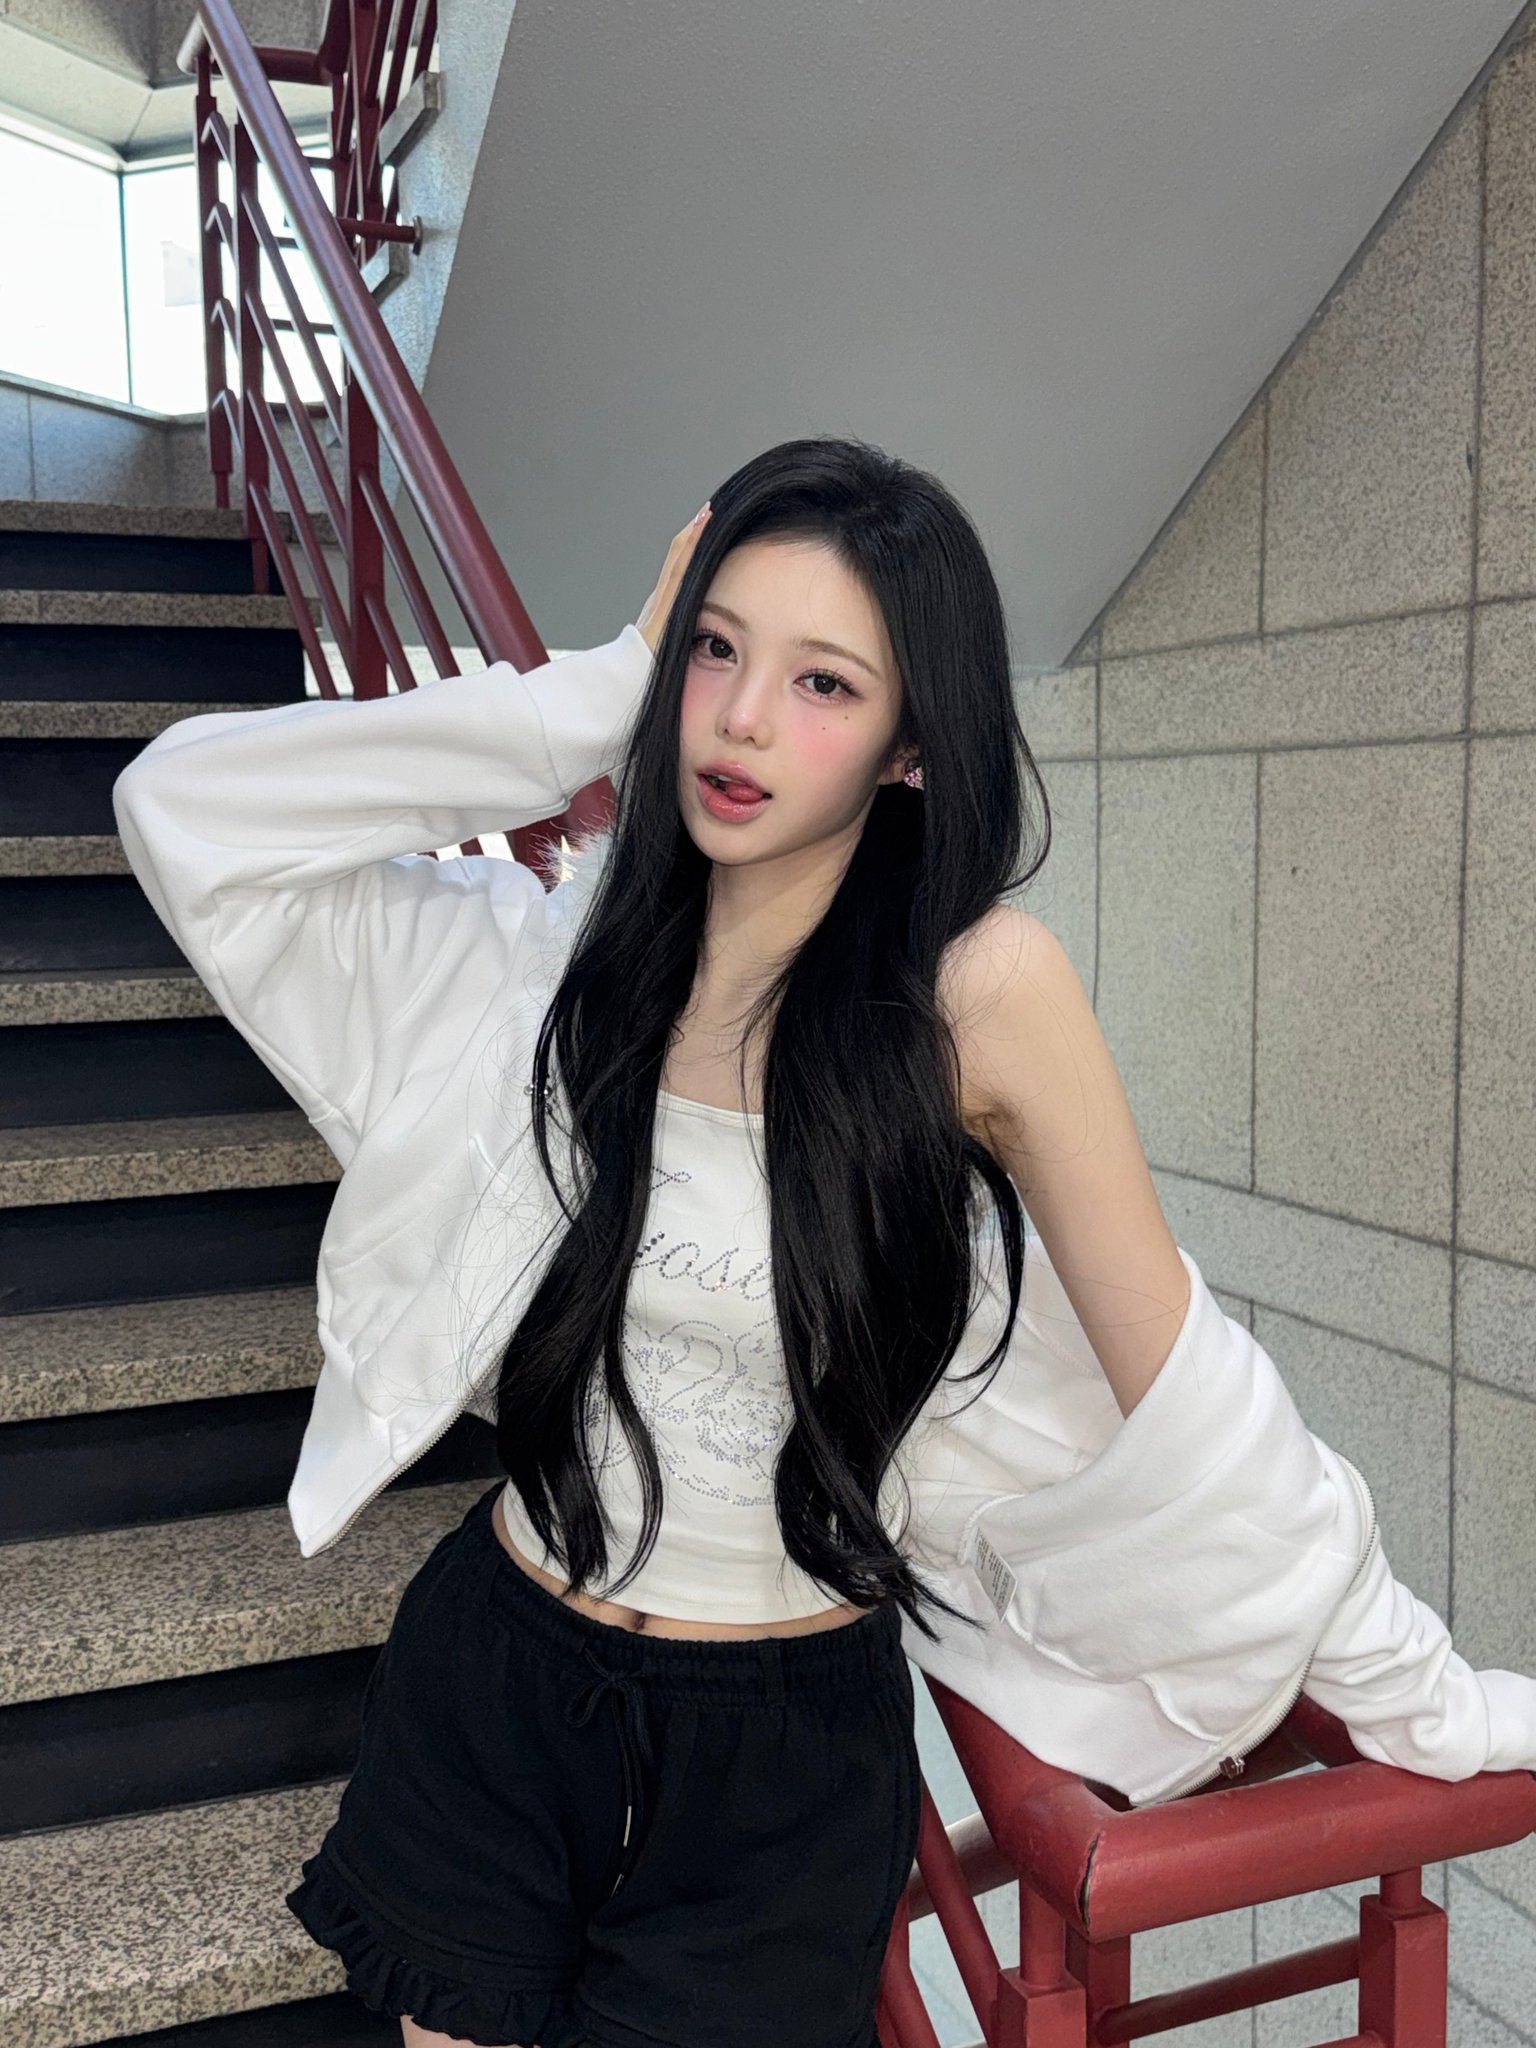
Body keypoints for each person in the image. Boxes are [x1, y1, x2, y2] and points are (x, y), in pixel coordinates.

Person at [110, 436, 1536, 2048]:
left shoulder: (974, 995)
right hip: (496, 1684)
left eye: (823, 684)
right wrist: (596, 692)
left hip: (778, 1755)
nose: (739, 719)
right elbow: (183, 808)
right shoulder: (543, 968)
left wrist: (1417, 1692)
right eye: (716, 651)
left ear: (912, 740)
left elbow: (1193, 1387)